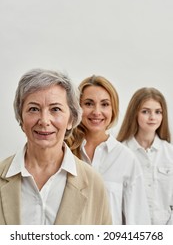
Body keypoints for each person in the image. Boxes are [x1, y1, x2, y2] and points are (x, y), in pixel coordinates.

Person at [0, 69, 112, 225]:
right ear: (21, 117)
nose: (44, 120)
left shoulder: (93, 183)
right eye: (34, 109)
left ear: (71, 119)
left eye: (55, 109)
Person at [66, 75, 151, 224]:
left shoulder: (126, 159)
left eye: (104, 104)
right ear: (77, 108)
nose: (97, 112)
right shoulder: (63, 152)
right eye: (89, 103)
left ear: (113, 109)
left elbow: (138, 222)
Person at [117, 87, 173, 225]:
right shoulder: (120, 152)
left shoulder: (170, 153)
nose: (152, 117)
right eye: (145, 111)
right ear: (134, 114)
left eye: (158, 112)